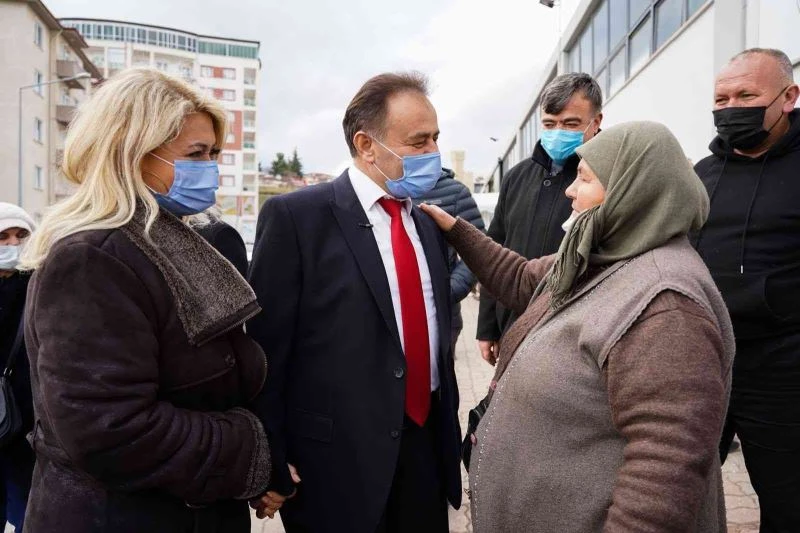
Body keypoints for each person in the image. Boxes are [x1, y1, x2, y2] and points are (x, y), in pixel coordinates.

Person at [420, 121, 734, 532]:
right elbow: (522, 279)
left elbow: (663, 474)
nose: (569, 190)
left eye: (584, 179)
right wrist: (455, 229)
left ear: (629, 190)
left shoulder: (666, 304)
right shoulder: (608, 253)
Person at [18, 68, 271, 533]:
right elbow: (109, 430)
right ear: (131, 153)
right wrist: (250, 448)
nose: (211, 167)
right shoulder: (91, 259)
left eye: (214, 153)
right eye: (196, 153)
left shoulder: (172, 243)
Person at [247, 72, 461, 533]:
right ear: (367, 145)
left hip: (424, 452)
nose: (433, 153)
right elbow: (265, 351)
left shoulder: (426, 224)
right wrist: (270, 456)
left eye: (435, 139)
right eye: (418, 142)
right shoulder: (298, 219)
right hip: (334, 468)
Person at [691, 48, 800, 531]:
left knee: (787, 503)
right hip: (701, 365)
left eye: (746, 95)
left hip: (781, 376)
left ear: (788, 97)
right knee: (680, 491)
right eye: (722, 99)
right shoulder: (702, 174)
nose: (731, 108)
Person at [477, 72, 603, 366]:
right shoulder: (517, 177)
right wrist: (487, 326)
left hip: (573, 333)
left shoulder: (606, 178)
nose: (558, 132)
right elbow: (493, 253)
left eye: (570, 124)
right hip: (513, 325)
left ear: (596, 122)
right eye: (549, 124)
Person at [412, 167, 485, 353]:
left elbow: (478, 249)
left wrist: (448, 290)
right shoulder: (381, 190)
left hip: (443, 315)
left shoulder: (454, 192)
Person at [0, 203, 36, 532]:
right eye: (3, 237)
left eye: (20, 234)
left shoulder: (40, 284)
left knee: (28, 508)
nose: (13, 243)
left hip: (25, 421)